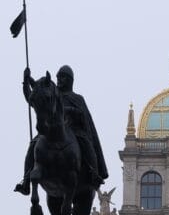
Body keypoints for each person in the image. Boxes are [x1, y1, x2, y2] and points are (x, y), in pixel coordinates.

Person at [16, 65, 108, 195]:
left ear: (70, 80)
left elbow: (83, 116)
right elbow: (32, 99)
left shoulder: (77, 98)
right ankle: (26, 182)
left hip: (74, 131)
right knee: (33, 146)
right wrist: (26, 82)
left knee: (87, 145)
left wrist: (70, 111)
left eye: (62, 77)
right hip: (50, 131)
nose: (59, 80)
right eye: (58, 77)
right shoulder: (51, 95)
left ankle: (94, 174)